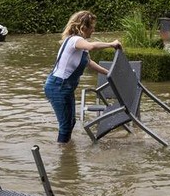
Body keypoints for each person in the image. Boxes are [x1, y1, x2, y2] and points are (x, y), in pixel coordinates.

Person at [44, 10, 122, 143]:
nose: (93, 31)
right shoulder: (75, 40)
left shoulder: (81, 45)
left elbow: (89, 63)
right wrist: (111, 44)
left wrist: (108, 72)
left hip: (65, 87)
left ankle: (66, 150)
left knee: (71, 122)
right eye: (92, 27)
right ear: (83, 27)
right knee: (65, 126)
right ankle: (62, 156)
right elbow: (92, 47)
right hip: (57, 86)